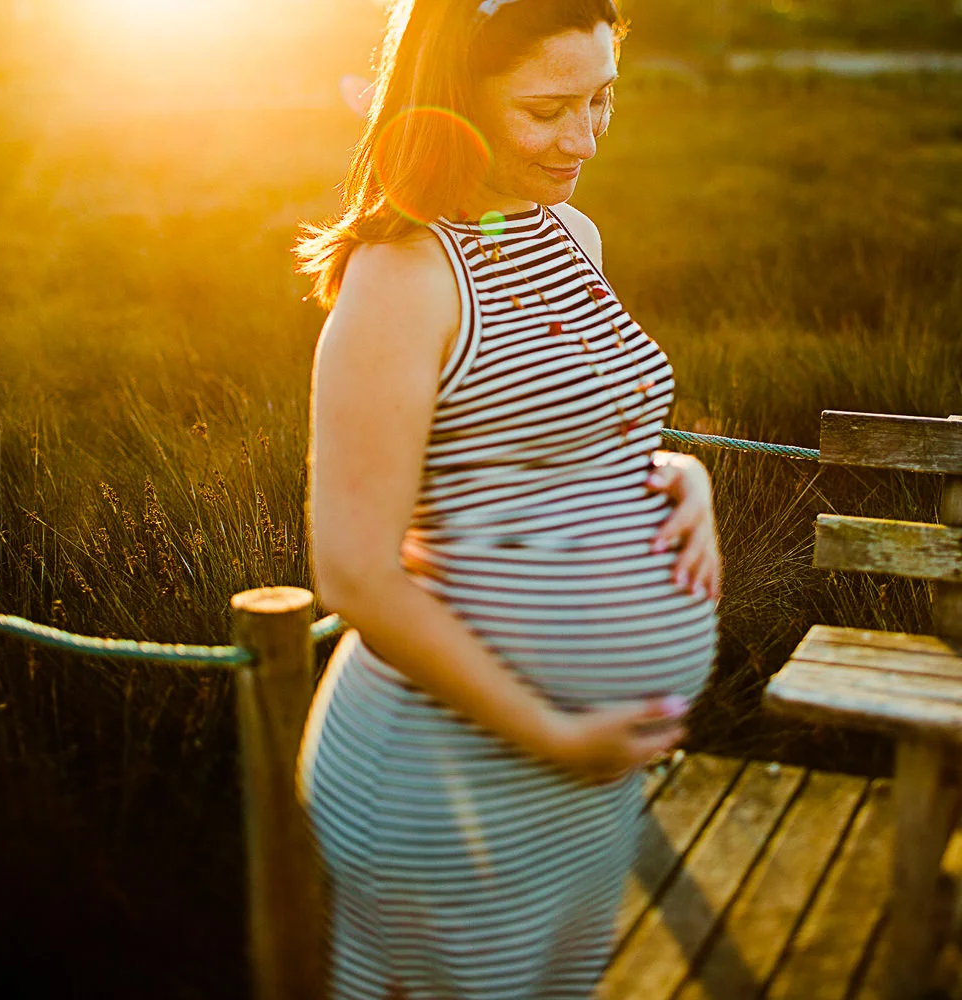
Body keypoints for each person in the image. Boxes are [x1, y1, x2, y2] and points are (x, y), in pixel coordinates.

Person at [293, 1, 721, 996]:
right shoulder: (402, 277)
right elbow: (354, 572)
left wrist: (677, 476)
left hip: (580, 777)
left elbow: (569, 437)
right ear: (455, 99)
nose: (583, 137)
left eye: (604, 98)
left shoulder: (570, 232)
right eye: (547, 109)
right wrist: (552, 733)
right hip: (442, 777)